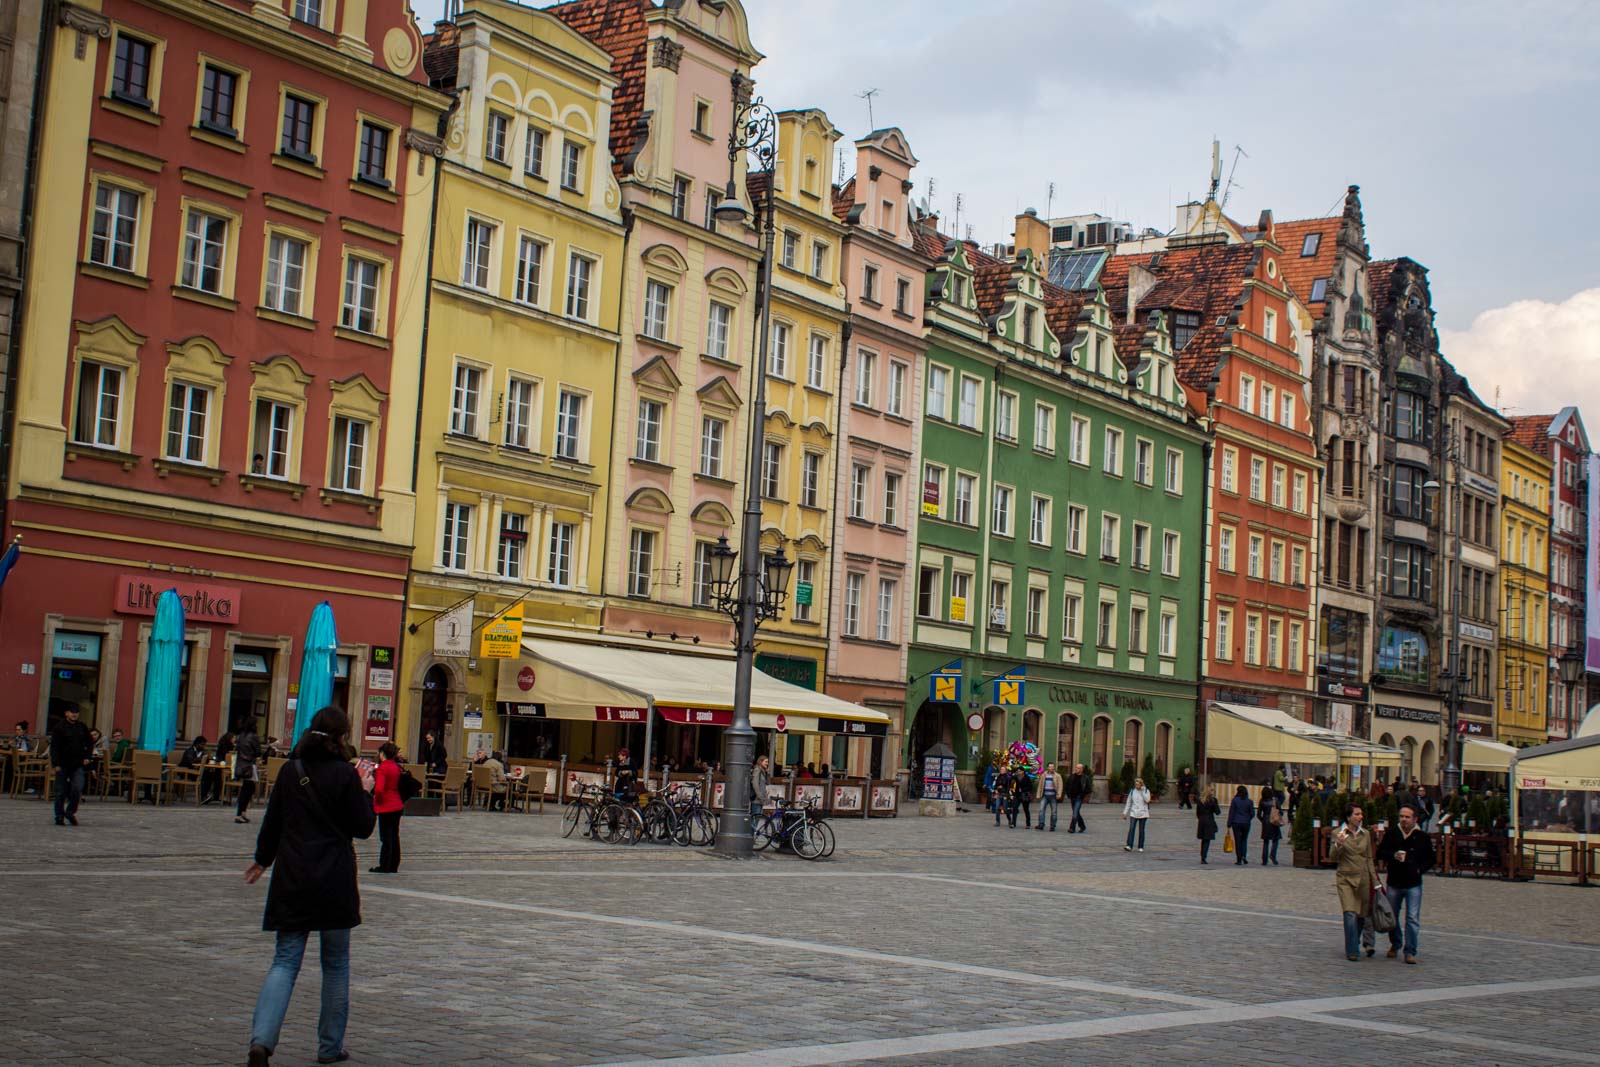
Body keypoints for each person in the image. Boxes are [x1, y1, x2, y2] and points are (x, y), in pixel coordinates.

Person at [244, 706, 376, 1067]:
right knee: (335, 965)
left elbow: (273, 823)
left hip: (293, 876)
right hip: (333, 879)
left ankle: (262, 1040)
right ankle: (330, 1047)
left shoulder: (291, 771)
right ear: (341, 737)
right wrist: (366, 791)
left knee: (284, 961)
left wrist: (261, 860)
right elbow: (363, 828)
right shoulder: (346, 776)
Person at [1375, 802, 1434, 964]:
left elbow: (1431, 858)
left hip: (1413, 882)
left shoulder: (1422, 837)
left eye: (1407, 817)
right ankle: (1396, 943)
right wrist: (1392, 855)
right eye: (1401, 816)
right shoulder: (1393, 833)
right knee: (1392, 916)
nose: (1404, 820)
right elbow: (1380, 852)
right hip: (1395, 881)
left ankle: (1410, 950)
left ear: (1415, 819)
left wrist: (1419, 869)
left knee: (1412, 918)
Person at [1331, 802, 1377, 961]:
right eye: (1357, 814)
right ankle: (1352, 950)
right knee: (1349, 913)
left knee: (1361, 915)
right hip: (1345, 878)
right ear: (1348, 817)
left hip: (1363, 879)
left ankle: (1354, 941)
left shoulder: (1366, 834)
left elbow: (1369, 858)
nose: (1360, 817)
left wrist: (1375, 880)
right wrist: (1339, 844)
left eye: (1361, 814)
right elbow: (1333, 857)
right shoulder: (1338, 833)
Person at [49, 706, 94, 826]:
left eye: (76, 712)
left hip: (77, 764)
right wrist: (55, 764)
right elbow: (54, 747)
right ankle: (59, 816)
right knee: (60, 792)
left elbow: (90, 742)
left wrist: (88, 757)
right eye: (72, 712)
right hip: (62, 764)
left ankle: (70, 812)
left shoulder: (81, 727)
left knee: (77, 788)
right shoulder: (59, 728)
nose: (74, 714)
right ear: (66, 713)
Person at [370, 742, 404, 875]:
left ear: (382, 753)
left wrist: (376, 801)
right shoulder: (396, 767)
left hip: (386, 805)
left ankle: (385, 864)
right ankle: (394, 864)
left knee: (385, 836)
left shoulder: (383, 768)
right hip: (397, 803)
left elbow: (378, 789)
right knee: (394, 835)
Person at [235, 722, 263, 824]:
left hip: (241, 764)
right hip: (249, 765)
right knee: (248, 789)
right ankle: (240, 813)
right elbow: (258, 751)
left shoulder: (241, 736)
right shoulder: (254, 736)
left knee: (246, 788)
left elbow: (237, 748)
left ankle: (242, 813)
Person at [1121, 776, 1151, 851]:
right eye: (1136, 784)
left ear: (1141, 784)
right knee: (1131, 829)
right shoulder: (1132, 791)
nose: (1137, 786)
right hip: (1134, 813)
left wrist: (1142, 792)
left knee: (1141, 830)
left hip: (1143, 813)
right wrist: (1125, 813)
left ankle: (1140, 846)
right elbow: (1128, 802)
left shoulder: (1146, 791)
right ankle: (1129, 845)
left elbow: (1147, 800)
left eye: (1138, 784)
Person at [1227, 785, 1254, 865]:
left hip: (1236, 822)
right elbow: (1252, 813)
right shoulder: (1249, 801)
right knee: (1244, 840)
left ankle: (1239, 859)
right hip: (1246, 822)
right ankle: (1244, 856)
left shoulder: (1235, 800)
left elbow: (1231, 812)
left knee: (1238, 840)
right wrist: (1248, 819)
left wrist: (1229, 823)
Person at [1257, 784, 1282, 865]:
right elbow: (1281, 811)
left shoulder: (1262, 801)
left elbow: (1258, 814)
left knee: (1266, 841)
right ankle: (1273, 854)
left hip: (1266, 822)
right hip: (1274, 821)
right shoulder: (1275, 800)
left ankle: (1264, 860)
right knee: (1276, 839)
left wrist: (1263, 820)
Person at [1195, 786, 1221, 863]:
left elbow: (1198, 813)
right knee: (1207, 839)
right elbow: (1217, 812)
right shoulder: (1213, 800)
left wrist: (1200, 818)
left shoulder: (1200, 800)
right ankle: (1204, 857)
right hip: (1209, 820)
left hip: (1202, 821)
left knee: (1203, 839)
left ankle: (1202, 856)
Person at [1036, 762, 1062, 832]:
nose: (1052, 768)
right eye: (1050, 767)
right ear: (1048, 767)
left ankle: (1052, 826)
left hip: (1053, 796)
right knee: (1041, 810)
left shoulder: (1057, 776)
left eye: (1053, 767)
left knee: (1054, 812)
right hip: (1045, 795)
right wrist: (1038, 794)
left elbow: (1060, 786)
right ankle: (1041, 824)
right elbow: (1040, 785)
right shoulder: (1043, 775)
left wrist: (1059, 794)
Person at [1065, 763, 1090, 833]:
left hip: (1079, 797)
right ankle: (1082, 826)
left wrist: (1083, 795)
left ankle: (1072, 828)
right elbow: (1067, 785)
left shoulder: (1085, 778)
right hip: (1072, 797)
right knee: (1076, 812)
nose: (1076, 769)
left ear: (1081, 769)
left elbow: (1088, 788)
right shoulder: (1072, 776)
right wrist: (1068, 793)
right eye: (1076, 768)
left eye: (1078, 768)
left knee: (1075, 812)